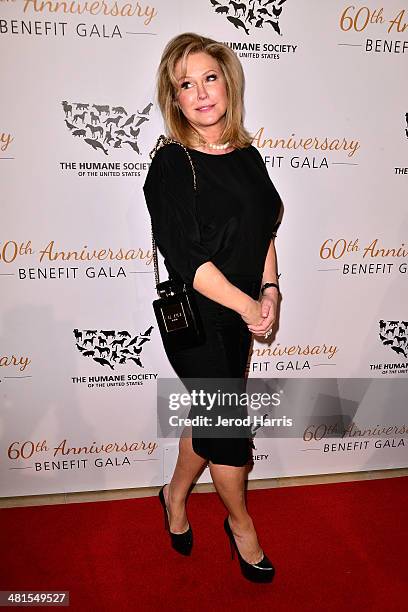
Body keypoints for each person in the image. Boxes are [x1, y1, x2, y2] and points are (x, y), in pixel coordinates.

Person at [143, 32, 282, 583]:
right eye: (185, 84)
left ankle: (174, 495)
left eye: (210, 78)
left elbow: (264, 228)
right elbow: (191, 262)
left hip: (244, 309)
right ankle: (242, 525)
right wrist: (250, 304)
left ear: (228, 83)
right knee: (227, 429)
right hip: (202, 318)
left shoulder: (248, 156)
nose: (200, 93)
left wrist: (271, 290)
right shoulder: (171, 166)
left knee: (211, 413)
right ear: (173, 98)